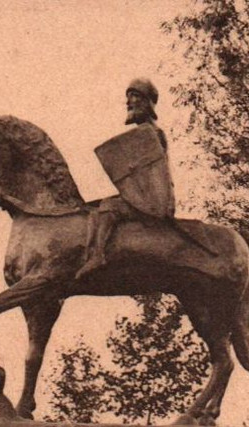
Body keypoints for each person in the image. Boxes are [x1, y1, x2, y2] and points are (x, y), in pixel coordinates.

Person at [76, 79, 175, 279]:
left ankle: (98, 256)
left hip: (155, 202)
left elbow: (153, 176)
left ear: (148, 102)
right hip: (144, 197)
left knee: (108, 207)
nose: (129, 102)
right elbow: (134, 179)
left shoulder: (152, 133)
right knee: (95, 206)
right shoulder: (140, 134)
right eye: (128, 97)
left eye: (135, 96)